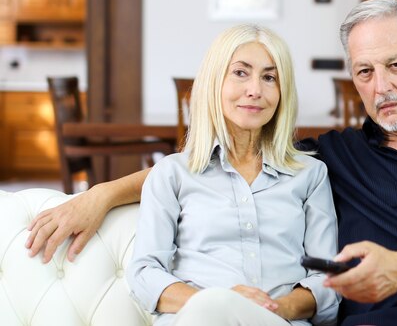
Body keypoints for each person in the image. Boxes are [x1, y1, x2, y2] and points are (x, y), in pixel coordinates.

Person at [26, 0, 397, 325]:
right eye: (365, 72)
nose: (382, 86)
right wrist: (99, 195)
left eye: (396, 66)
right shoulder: (332, 157)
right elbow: (225, 161)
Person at [127, 24, 339, 326]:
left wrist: (273, 309)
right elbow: (144, 274)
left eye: (269, 77)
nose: (255, 90)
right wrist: (222, 302)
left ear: (282, 92)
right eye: (240, 73)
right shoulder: (171, 175)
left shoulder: (311, 175)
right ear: (215, 82)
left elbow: (325, 280)